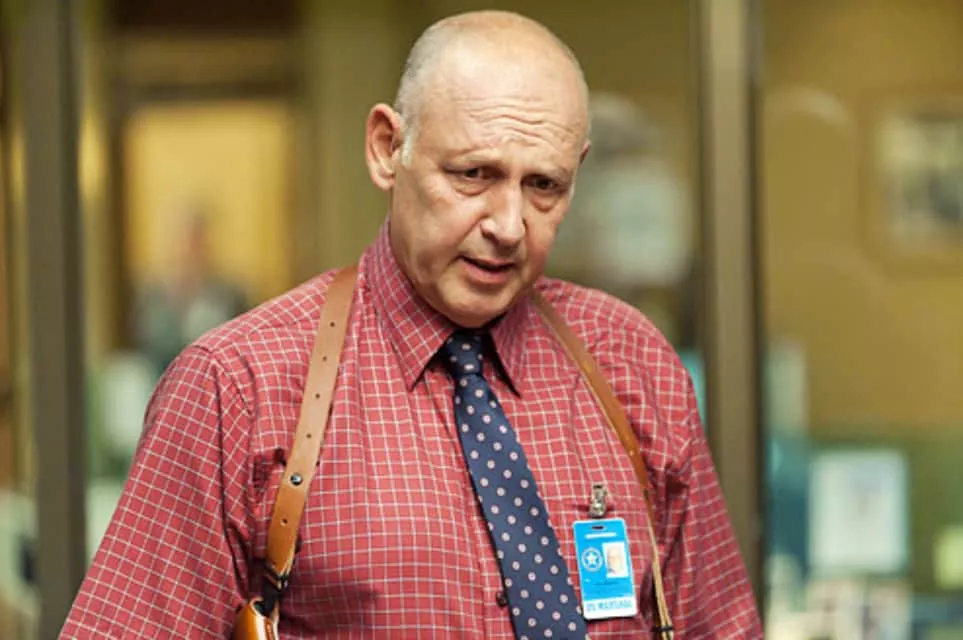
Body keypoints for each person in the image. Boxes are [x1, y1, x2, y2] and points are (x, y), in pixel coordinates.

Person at [61, 10, 762, 639]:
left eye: (543, 185)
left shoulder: (629, 362)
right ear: (385, 148)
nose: (508, 225)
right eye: (473, 175)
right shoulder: (238, 388)